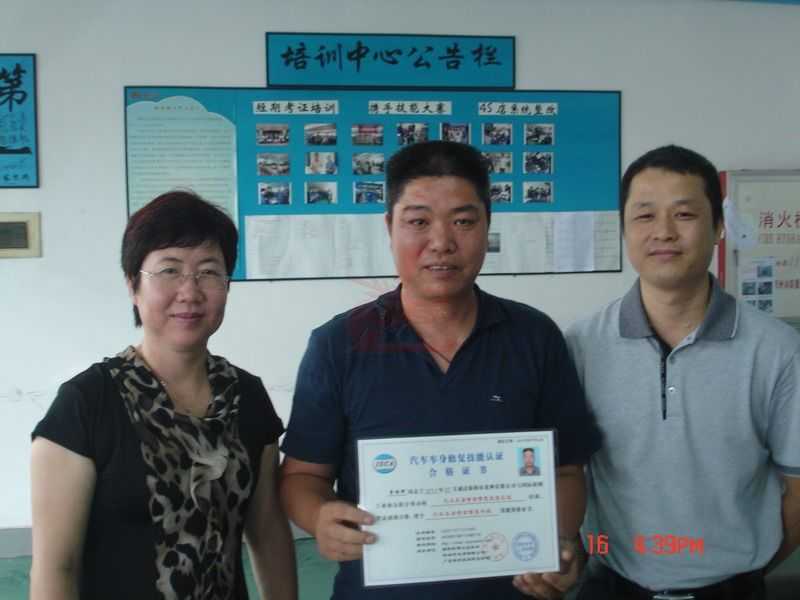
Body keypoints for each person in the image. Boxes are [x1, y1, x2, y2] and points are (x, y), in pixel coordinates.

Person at [279, 140, 601, 600]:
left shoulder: (534, 337)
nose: (441, 243)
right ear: (389, 227)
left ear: (487, 225)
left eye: (463, 221)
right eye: (418, 221)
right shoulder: (339, 344)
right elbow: (302, 477)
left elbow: (566, 470)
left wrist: (559, 542)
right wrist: (319, 518)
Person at [30, 191, 298, 600]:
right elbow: (56, 567)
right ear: (133, 285)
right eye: (169, 270)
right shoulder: (85, 404)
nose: (190, 291)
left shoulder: (247, 396)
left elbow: (267, 530)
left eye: (209, 271)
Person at [566, 145, 800, 599]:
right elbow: (564, 471)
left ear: (718, 227)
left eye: (685, 214)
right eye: (645, 216)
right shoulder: (580, 345)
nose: (664, 232)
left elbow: (798, 487)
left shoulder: (777, 349)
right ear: (625, 230)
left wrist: (743, 573)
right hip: (612, 586)